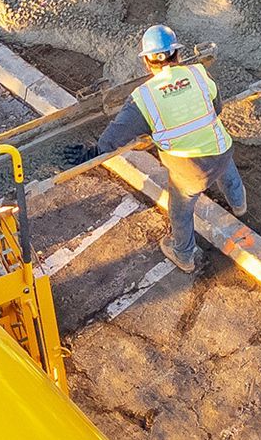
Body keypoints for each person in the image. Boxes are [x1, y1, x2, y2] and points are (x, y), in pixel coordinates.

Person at [96, 25, 245, 273]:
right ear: (177, 54)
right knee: (227, 171)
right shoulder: (198, 73)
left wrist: (149, 134)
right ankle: (239, 205)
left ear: (146, 61)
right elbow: (216, 109)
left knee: (180, 209)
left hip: (191, 169)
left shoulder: (143, 97)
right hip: (220, 147)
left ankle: (183, 254)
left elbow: (109, 141)